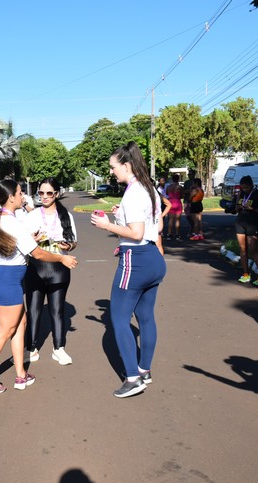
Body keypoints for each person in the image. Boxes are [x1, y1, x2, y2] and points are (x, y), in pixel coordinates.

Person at [0, 179, 77, 394]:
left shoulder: (1, 218)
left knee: (21, 325)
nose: (23, 197)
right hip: (8, 280)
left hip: (7, 277)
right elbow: (37, 253)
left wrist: (30, 239)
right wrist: (62, 259)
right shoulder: (13, 223)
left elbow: (16, 243)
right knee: (6, 329)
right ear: (11, 197)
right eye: (20, 193)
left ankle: (21, 375)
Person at [90, 142, 167, 398]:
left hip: (136, 259)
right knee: (145, 317)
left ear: (126, 165)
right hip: (153, 258)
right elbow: (153, 226)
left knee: (119, 319)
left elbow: (136, 233)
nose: (112, 172)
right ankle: (144, 370)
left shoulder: (134, 192)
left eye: (113, 167)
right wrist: (120, 215)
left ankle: (133, 378)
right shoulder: (150, 188)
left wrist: (106, 225)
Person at [24, 177, 78, 365]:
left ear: (56, 194)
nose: (45, 197)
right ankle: (31, 347)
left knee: (57, 310)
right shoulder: (31, 216)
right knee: (33, 310)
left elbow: (73, 243)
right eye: (41, 193)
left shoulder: (66, 216)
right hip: (35, 267)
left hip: (59, 267)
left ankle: (59, 348)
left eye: (49, 193)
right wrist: (33, 238)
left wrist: (68, 245)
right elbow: (24, 243)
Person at [233, 176, 258, 286]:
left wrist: (252, 209)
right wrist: (239, 207)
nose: (245, 190)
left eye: (247, 188)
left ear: (252, 185)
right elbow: (236, 209)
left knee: (253, 249)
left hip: (252, 223)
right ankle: (246, 274)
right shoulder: (241, 194)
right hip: (240, 222)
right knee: (243, 249)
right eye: (243, 188)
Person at [165, 173, 183, 240]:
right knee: (177, 220)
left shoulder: (168, 187)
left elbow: (167, 193)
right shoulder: (180, 187)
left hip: (170, 202)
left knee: (170, 220)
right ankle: (177, 234)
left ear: (172, 179)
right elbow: (182, 195)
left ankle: (169, 234)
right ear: (178, 179)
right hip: (177, 202)